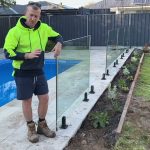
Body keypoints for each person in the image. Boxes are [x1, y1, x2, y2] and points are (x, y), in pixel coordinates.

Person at [3, 2, 63, 143]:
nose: (33, 18)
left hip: (39, 70)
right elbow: (7, 53)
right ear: (25, 14)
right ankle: (31, 128)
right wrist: (26, 55)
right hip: (22, 72)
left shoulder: (43, 28)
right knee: (27, 100)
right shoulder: (14, 31)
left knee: (45, 98)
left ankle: (42, 125)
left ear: (39, 15)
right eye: (31, 15)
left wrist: (59, 44)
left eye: (36, 16)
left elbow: (58, 36)